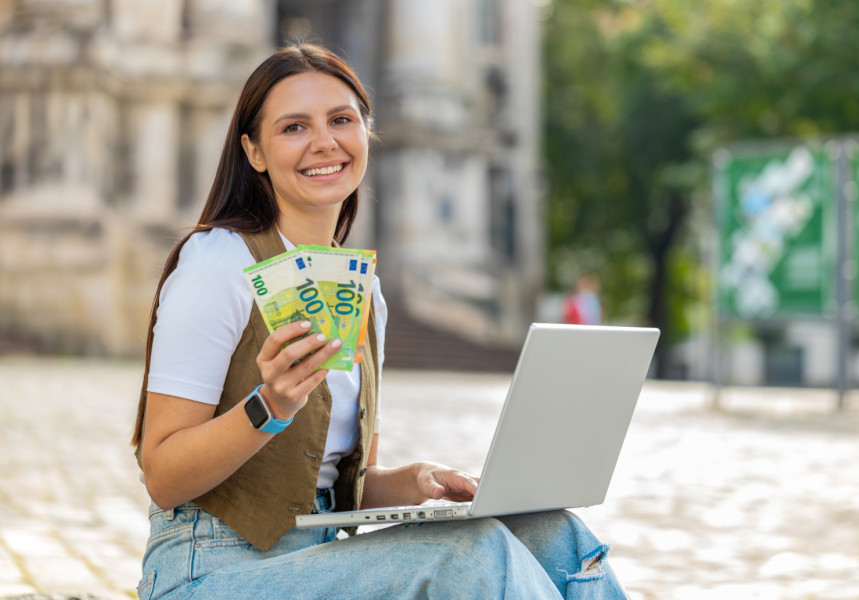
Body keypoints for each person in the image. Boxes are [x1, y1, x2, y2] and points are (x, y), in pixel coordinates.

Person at [131, 43, 629, 600]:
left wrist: (415, 481)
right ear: (254, 152)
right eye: (294, 127)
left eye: (341, 120)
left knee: (554, 532)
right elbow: (164, 475)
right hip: (210, 571)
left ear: (366, 133)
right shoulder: (218, 262)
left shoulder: (363, 293)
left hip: (323, 554)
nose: (324, 141)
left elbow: (347, 488)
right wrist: (268, 406)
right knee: (473, 555)